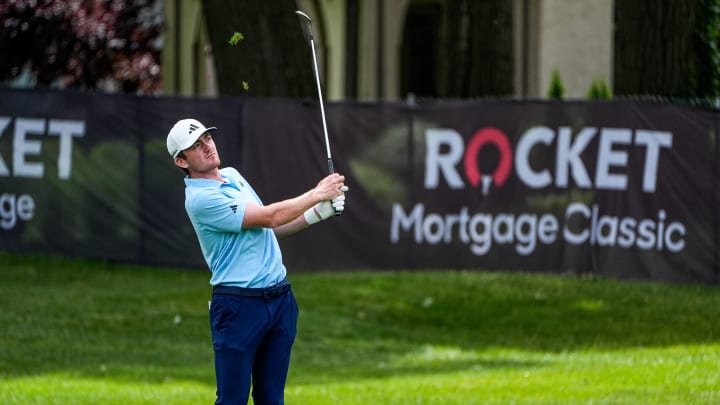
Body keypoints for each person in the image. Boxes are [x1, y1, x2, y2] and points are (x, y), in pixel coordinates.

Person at [166, 118, 347, 405]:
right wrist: (316, 194)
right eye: (196, 146)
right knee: (232, 399)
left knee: (272, 399)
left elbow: (266, 228)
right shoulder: (200, 199)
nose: (207, 147)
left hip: (280, 300)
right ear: (181, 161)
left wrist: (318, 213)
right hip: (238, 306)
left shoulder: (233, 176)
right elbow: (270, 216)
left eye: (207, 139)